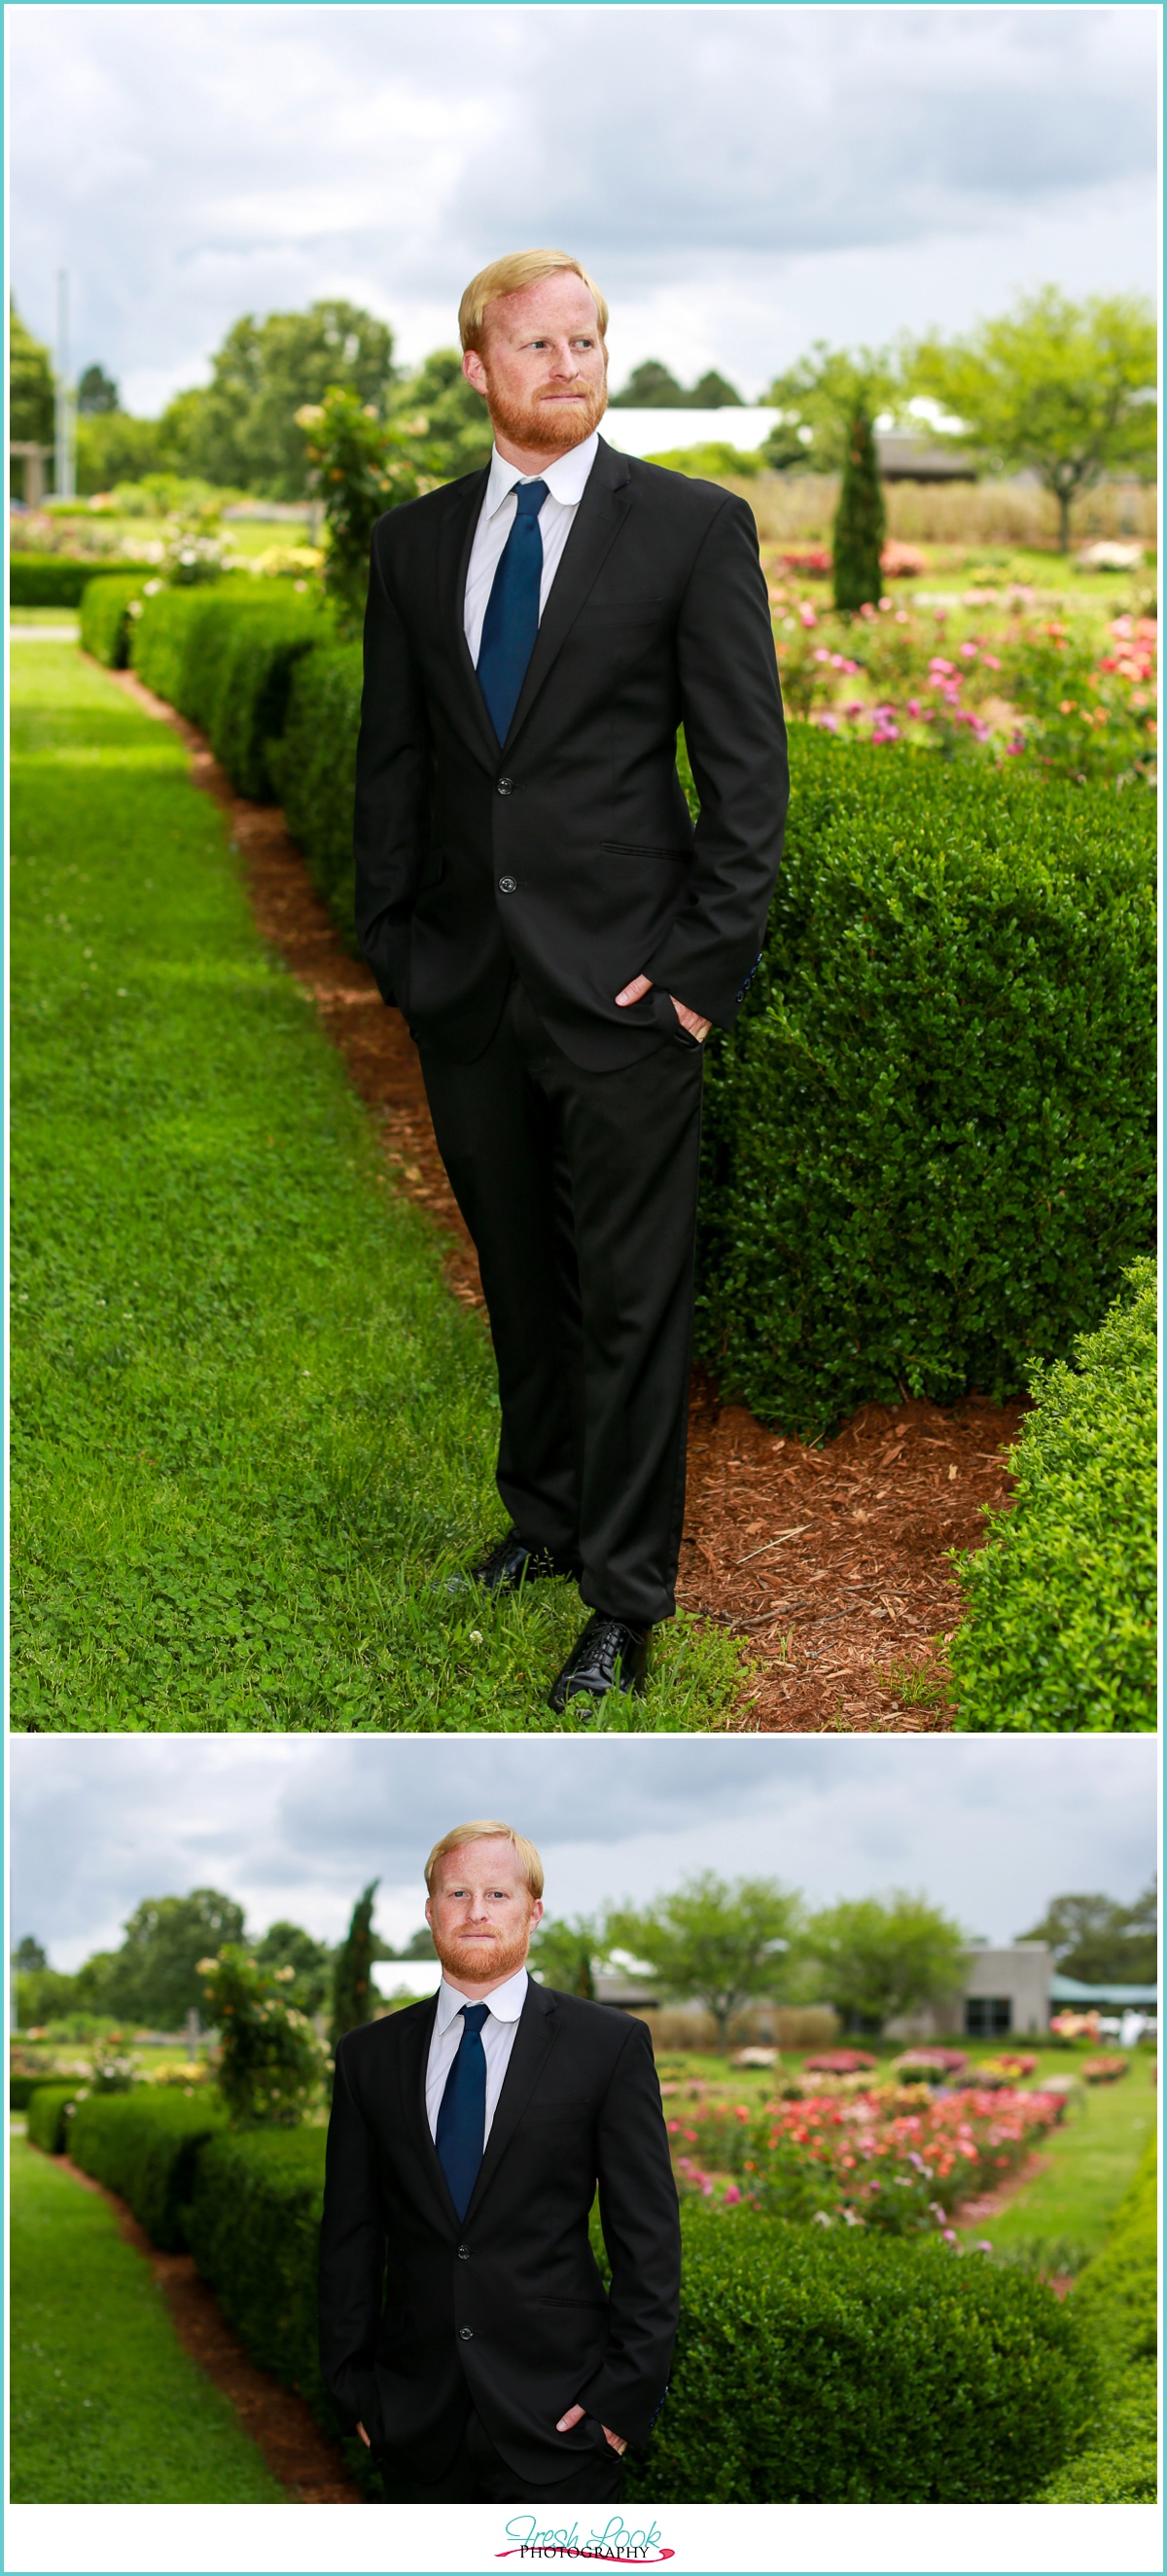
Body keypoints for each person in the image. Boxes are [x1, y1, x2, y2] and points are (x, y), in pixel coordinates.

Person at [354, 248, 788, 1711]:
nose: (569, 365)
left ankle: (624, 1597)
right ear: (476, 365)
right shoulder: (415, 549)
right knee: (523, 1287)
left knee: (630, 1302)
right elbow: (397, 768)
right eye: (536, 344)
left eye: (588, 341)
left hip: (627, 995)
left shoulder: (688, 531)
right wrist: (401, 953)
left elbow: (747, 788)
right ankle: (542, 1520)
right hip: (468, 991)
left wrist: (694, 980)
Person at [318, 1820, 681, 2505]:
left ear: (533, 1911)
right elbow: (349, 2239)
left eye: (497, 1894)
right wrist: (354, 2392)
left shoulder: (609, 2046)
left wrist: (620, 2404)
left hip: (562, 2421)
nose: (476, 1912)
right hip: (413, 2423)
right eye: (457, 1893)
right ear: (430, 1911)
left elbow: (649, 2241)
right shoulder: (368, 2057)